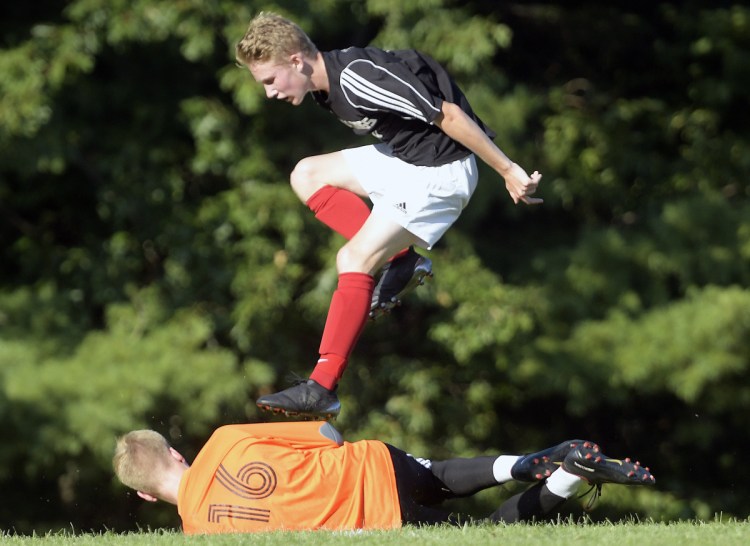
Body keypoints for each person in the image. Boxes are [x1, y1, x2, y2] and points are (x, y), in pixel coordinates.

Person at [235, 13, 544, 419]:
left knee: (352, 259)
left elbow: (447, 114)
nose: (270, 93)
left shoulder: (355, 78)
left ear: (296, 61)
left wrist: (507, 170)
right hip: (408, 161)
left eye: (270, 81)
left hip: (441, 174)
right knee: (306, 174)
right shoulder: (325, 86)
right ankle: (403, 261)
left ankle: (322, 387)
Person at [113, 421, 655, 534]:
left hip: (374, 520)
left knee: (491, 535)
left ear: (143, 494)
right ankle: (526, 463)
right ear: (177, 453)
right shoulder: (227, 438)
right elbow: (326, 433)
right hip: (374, 463)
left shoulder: (202, 535)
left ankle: (566, 479)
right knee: (441, 475)